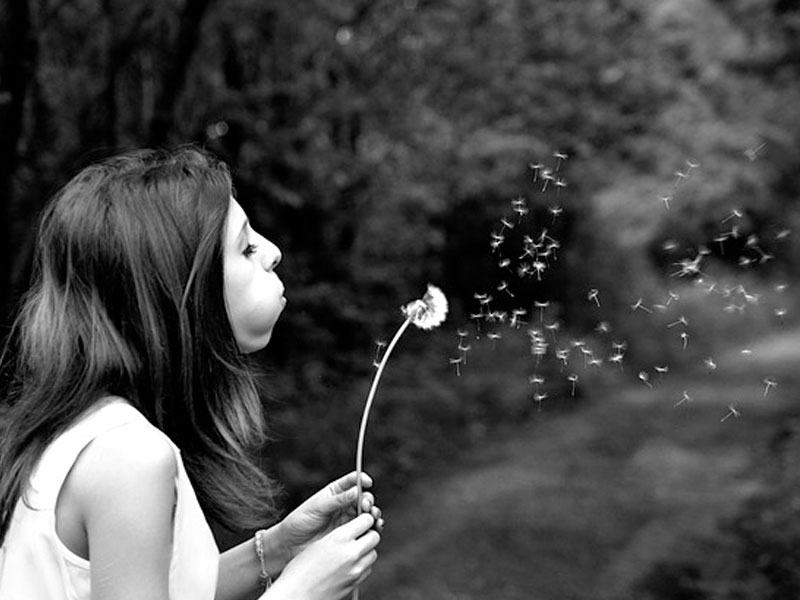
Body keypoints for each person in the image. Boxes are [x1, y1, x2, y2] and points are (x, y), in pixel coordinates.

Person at [0, 146, 383, 600]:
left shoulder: (90, 431)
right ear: (180, 288)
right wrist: (300, 590)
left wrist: (278, 547)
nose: (274, 252)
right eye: (245, 247)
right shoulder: (129, 458)